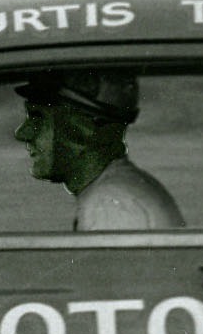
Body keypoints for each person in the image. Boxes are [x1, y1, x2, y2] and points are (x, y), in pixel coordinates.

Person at [13, 70, 183, 231]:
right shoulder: (115, 192)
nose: (22, 133)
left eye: (38, 118)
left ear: (80, 126)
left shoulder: (109, 204)